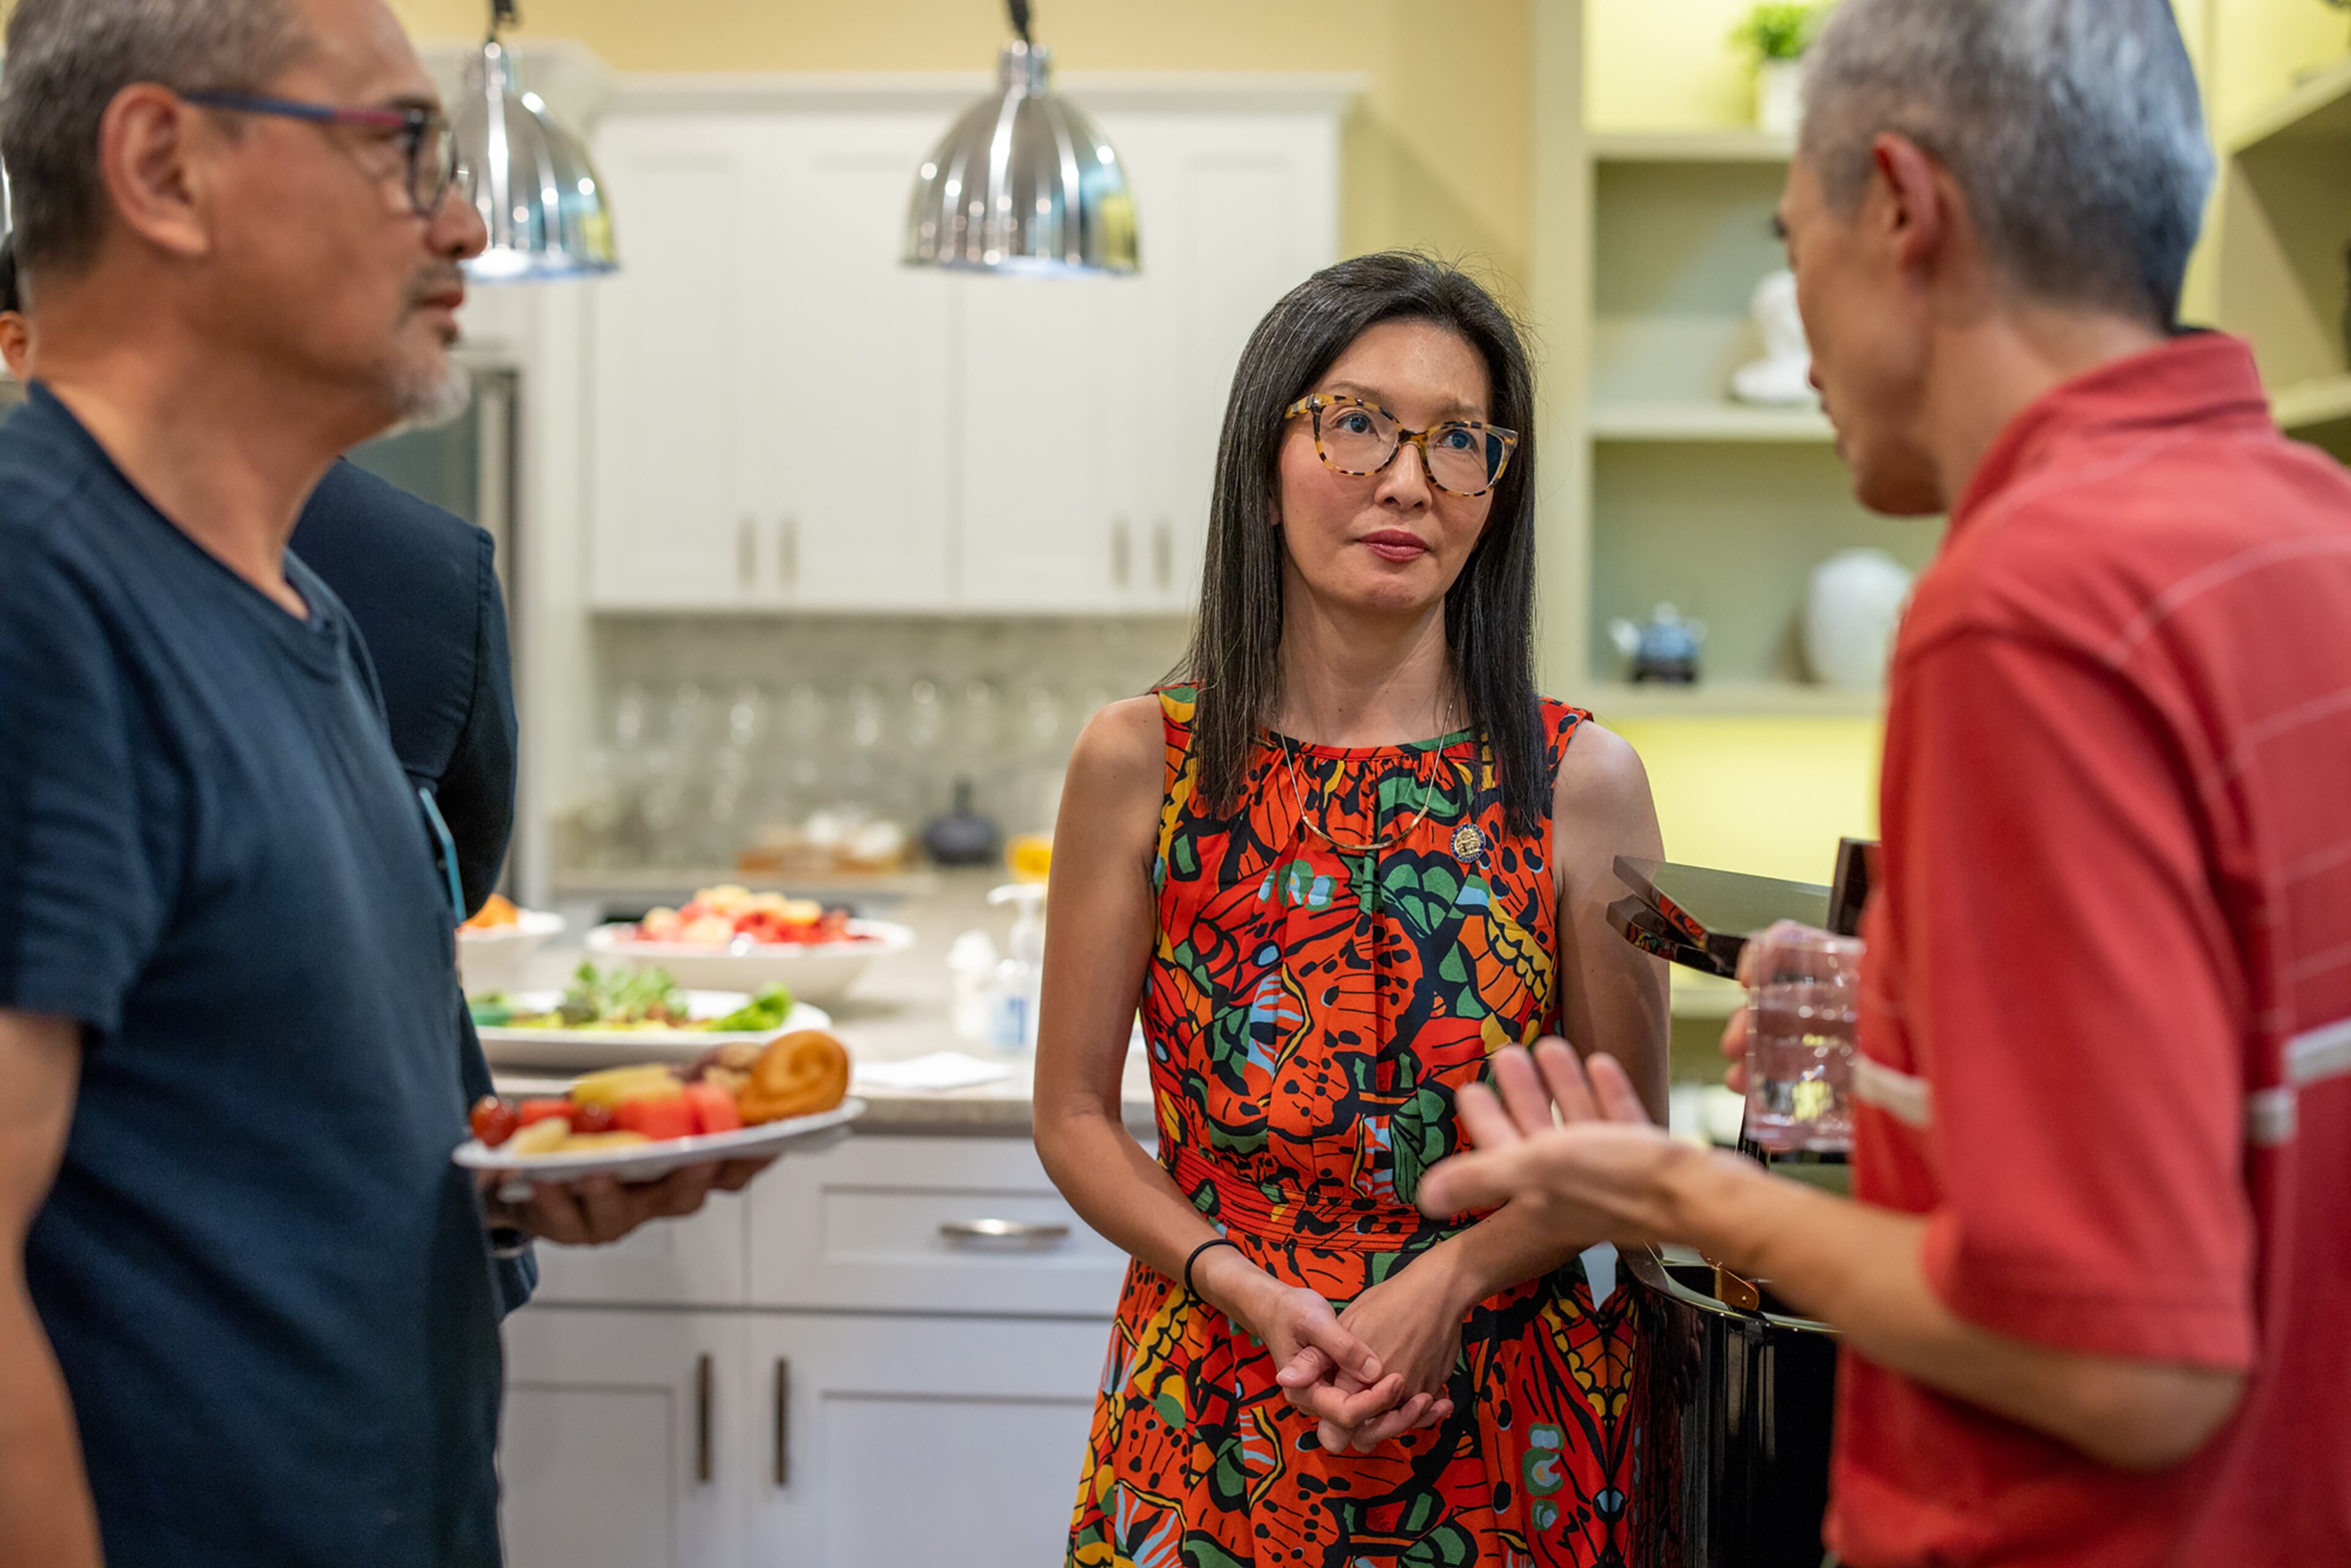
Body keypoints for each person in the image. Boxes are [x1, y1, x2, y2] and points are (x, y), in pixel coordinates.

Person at [1417, 3, 2351, 1566]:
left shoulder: (2028, 605)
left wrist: (1666, 1188)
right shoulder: (2301, 523)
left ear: (1904, 210)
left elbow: (2122, 1361)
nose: (1800, 312)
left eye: (1796, 245)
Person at [0, 2, 735, 1563]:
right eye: (402, 147)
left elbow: (214, 1149)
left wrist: (504, 1184)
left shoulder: (301, 615)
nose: (463, 218)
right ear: (163, 165)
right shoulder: (36, 599)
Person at [1034, 252, 1671, 1566]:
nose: (1406, 483)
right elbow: (1077, 1117)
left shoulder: (1580, 782)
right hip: (1214, 1406)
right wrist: (1246, 1288)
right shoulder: (1138, 761)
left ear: (1499, 490)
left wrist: (1446, 1282)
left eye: (1460, 444)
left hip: (1505, 1419)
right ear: (1263, 467)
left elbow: (1627, 1149)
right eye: (1360, 422)